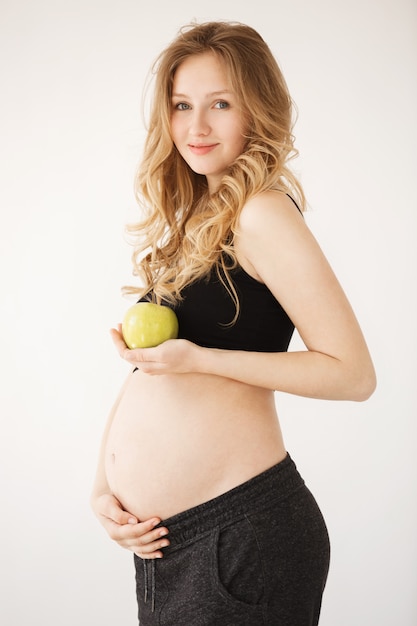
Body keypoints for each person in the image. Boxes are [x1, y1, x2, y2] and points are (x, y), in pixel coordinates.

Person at [91, 21, 376, 626]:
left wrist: (201, 359)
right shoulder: (195, 216)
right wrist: (104, 488)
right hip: (173, 543)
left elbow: (352, 374)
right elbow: (150, 373)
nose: (196, 127)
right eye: (181, 105)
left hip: (241, 536)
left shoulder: (262, 213)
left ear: (257, 110)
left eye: (220, 104)